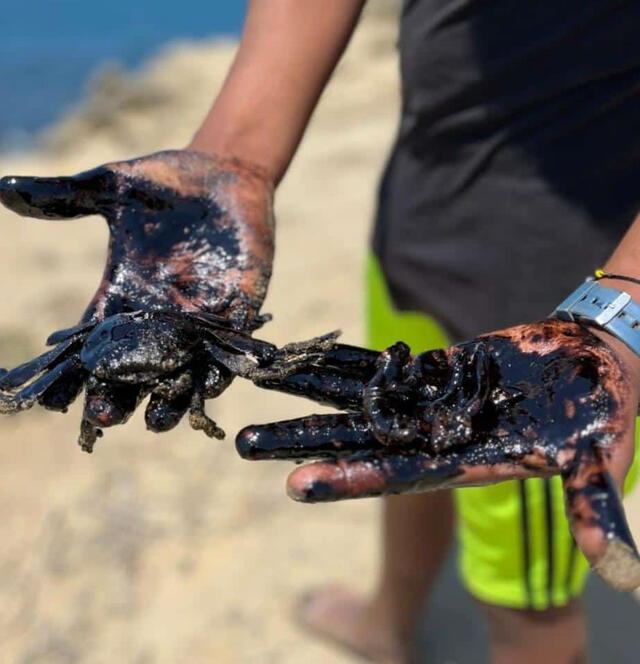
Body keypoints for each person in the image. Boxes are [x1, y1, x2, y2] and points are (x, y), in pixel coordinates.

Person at [2, 2, 640, 663]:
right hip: (419, 207)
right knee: (397, 425)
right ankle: (390, 623)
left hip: (554, 305)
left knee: (528, 600)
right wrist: (236, 153)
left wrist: (627, 307)